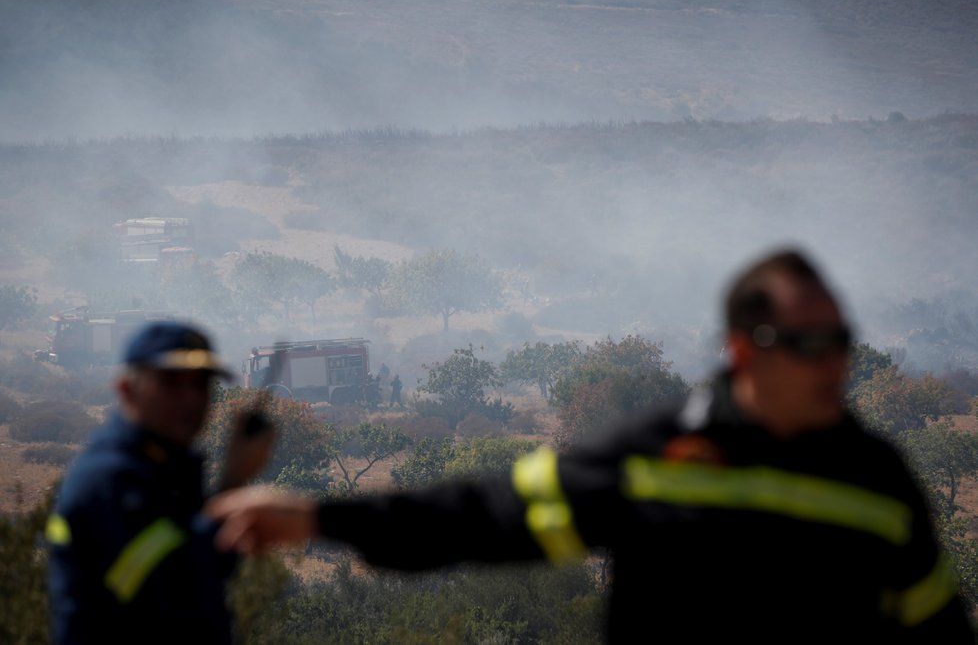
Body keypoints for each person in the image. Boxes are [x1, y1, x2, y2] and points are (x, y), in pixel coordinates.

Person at [207, 251, 974, 642]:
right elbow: (484, 513)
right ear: (744, 349)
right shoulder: (655, 456)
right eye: (805, 342)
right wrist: (319, 518)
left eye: (839, 339)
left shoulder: (878, 479)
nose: (831, 361)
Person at [47, 322, 275, 644]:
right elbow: (177, 577)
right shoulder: (111, 479)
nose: (191, 399)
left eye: (201, 384)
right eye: (171, 383)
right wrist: (234, 479)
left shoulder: (163, 467)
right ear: (127, 389)